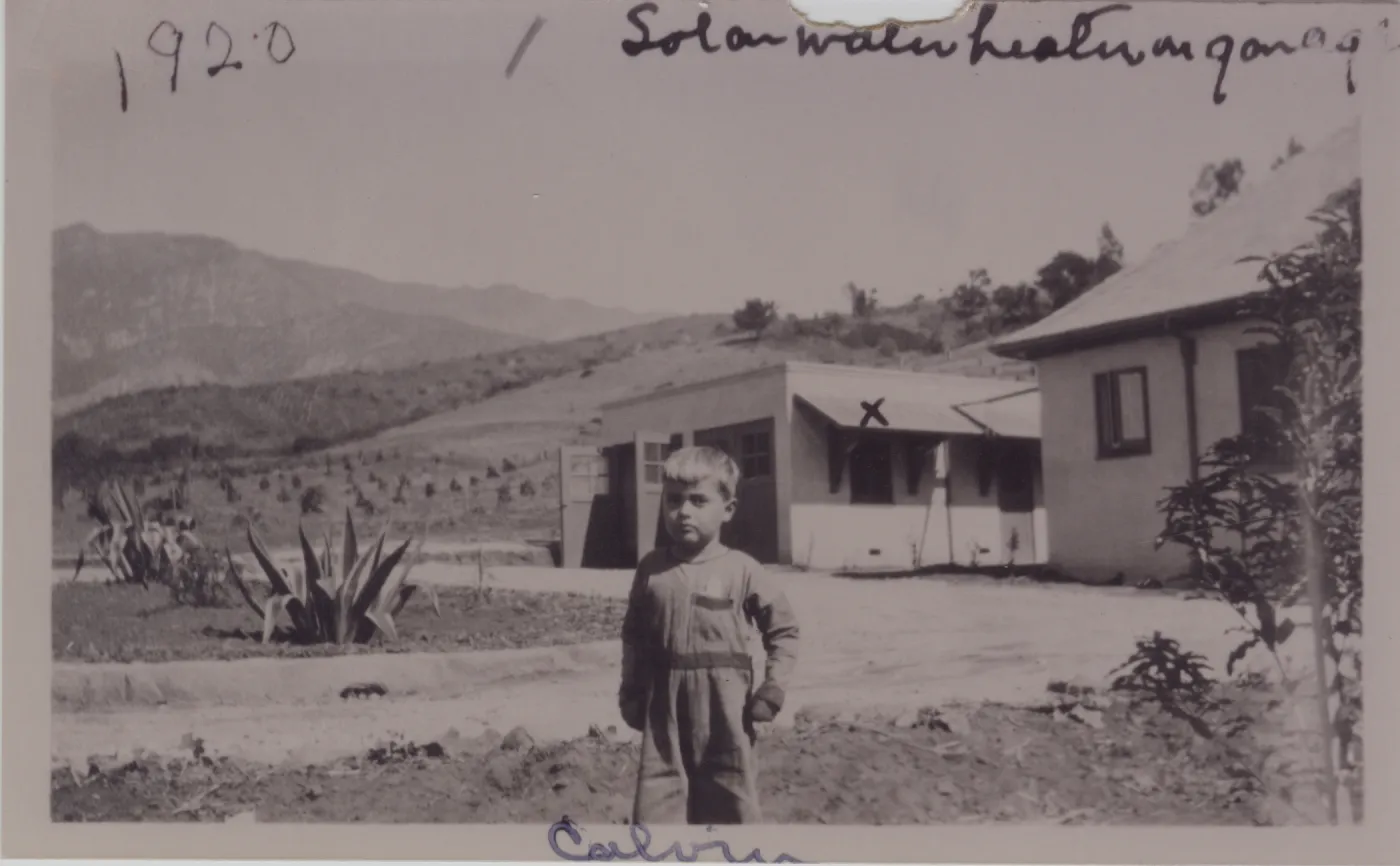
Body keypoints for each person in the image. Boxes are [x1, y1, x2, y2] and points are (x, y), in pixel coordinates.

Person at [618, 445, 800, 825]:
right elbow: (633, 635)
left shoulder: (742, 569)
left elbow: (783, 631)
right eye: (674, 500)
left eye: (699, 501)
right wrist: (630, 688)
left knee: (729, 794)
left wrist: (773, 687)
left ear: (728, 510)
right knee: (659, 797)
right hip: (662, 704)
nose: (683, 511)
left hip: (725, 706)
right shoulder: (651, 569)